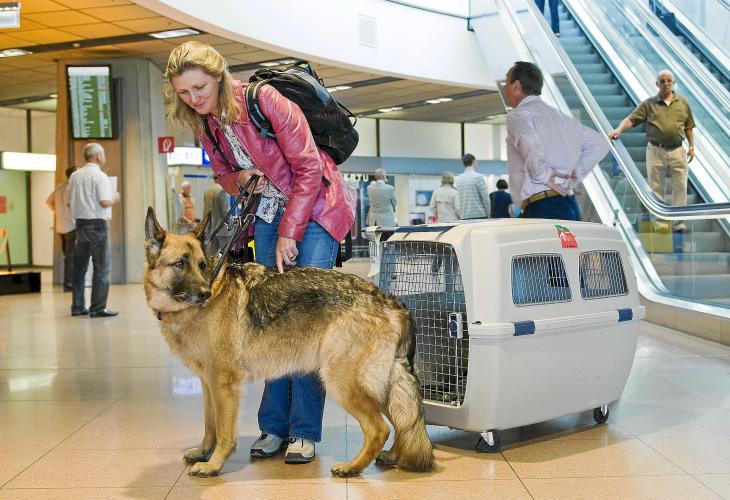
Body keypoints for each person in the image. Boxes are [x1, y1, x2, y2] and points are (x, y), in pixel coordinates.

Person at [165, 41, 355, 464]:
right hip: (267, 212)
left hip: (317, 208)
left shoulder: (264, 99)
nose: (193, 98)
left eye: (199, 88)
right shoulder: (205, 122)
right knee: (267, 320)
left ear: (218, 77)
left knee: (305, 321)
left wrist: (291, 232)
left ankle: (303, 431)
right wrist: (241, 178)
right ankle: (273, 426)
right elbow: (223, 174)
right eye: (183, 92)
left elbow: (308, 168)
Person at [504, 61, 609, 220]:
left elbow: (529, 141)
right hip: (568, 202)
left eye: (507, 82)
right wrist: (576, 173)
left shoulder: (519, 115)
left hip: (542, 205)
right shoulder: (561, 118)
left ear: (516, 86)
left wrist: (543, 175)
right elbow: (600, 143)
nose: (505, 88)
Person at [609, 69, 695, 232]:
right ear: (657, 84)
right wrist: (618, 130)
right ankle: (659, 222)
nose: (666, 84)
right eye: (662, 81)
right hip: (656, 150)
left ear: (674, 83)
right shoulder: (649, 104)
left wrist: (691, 146)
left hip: (677, 150)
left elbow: (689, 126)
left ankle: (678, 222)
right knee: (656, 186)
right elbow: (631, 119)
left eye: (669, 81)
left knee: (681, 185)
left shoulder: (683, 103)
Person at [68, 143, 120, 317]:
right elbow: (104, 202)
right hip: (98, 225)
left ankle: (77, 307)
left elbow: (69, 201)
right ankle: (98, 308)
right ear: (98, 156)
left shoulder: (75, 176)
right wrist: (114, 198)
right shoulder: (100, 176)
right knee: (101, 269)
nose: (104, 157)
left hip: (80, 225)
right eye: (103, 154)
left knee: (79, 269)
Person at [46, 166, 77, 292]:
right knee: (71, 256)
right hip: (71, 225)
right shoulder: (72, 187)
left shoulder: (60, 187)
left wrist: (57, 212)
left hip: (60, 226)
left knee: (67, 256)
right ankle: (69, 284)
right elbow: (71, 205)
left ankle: (68, 283)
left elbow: (48, 201)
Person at [202, 180, 232, 255]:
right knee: (226, 255)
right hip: (223, 229)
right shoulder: (222, 190)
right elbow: (225, 211)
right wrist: (231, 223)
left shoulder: (207, 191)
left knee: (210, 255)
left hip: (211, 229)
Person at [455, 153, 489, 219]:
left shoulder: (458, 179)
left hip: (464, 216)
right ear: (474, 162)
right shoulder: (478, 177)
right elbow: (486, 199)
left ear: (463, 164)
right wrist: (488, 215)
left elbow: (458, 201)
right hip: (479, 215)